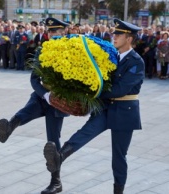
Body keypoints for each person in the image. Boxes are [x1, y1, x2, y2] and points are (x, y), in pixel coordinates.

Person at [43, 18, 145, 194]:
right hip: (106, 108)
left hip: (125, 111)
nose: (114, 36)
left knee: (119, 156)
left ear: (129, 38)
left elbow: (121, 89)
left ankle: (118, 191)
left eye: (119, 34)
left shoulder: (137, 62)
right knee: (84, 133)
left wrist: (91, 93)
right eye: (115, 33)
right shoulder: (111, 55)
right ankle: (59, 157)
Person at [0, 18, 69, 194]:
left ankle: (56, 182)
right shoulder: (42, 50)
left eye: (56, 31)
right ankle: (9, 127)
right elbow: (34, 79)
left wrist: (60, 96)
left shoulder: (72, 51)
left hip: (58, 102)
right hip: (42, 96)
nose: (52, 34)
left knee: (53, 143)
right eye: (50, 31)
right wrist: (45, 94)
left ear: (64, 32)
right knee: (27, 110)